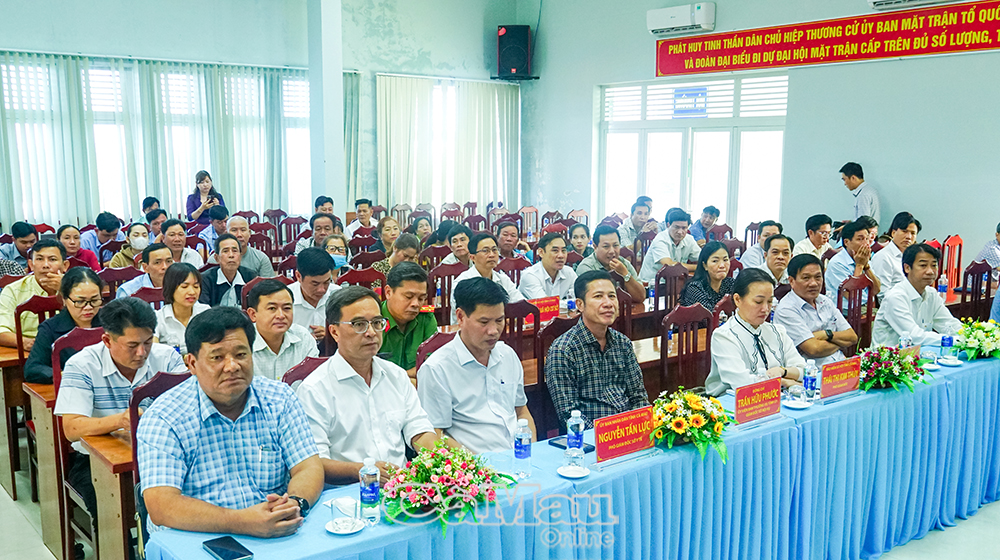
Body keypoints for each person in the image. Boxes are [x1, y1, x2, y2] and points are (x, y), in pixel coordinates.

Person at [137, 307, 323, 537]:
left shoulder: (279, 398)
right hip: (197, 536)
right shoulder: (164, 417)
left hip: (275, 528)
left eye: (241, 354)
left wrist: (294, 504)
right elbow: (162, 505)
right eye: (217, 357)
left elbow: (308, 466)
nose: (232, 366)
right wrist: (242, 522)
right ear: (192, 364)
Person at [55, 297, 187, 520]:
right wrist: (120, 420)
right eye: (132, 346)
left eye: (147, 342)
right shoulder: (82, 365)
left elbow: (188, 408)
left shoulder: (167, 358)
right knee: (108, 508)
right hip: (95, 462)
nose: (142, 353)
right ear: (107, 340)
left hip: (161, 454)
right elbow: (72, 428)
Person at [296, 286, 442, 485]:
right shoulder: (315, 389)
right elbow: (314, 462)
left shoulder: (396, 376)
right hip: (347, 492)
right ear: (335, 332)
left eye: (376, 323)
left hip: (402, 487)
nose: (371, 332)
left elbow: (419, 430)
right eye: (359, 324)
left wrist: (441, 462)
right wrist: (364, 471)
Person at [418, 277, 535, 453]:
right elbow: (436, 433)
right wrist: (476, 463)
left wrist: (531, 451)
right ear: (460, 317)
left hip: (518, 456)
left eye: (499, 320)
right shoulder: (437, 368)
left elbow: (521, 411)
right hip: (476, 463)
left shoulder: (508, 355)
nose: (493, 331)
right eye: (484, 322)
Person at [545, 270, 649, 428]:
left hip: (629, 431)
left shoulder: (623, 343)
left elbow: (639, 397)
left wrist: (636, 426)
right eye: (598, 296)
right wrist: (605, 435)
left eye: (612, 296)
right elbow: (568, 413)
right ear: (580, 305)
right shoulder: (563, 350)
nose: (608, 303)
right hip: (590, 437)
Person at [705, 268, 806, 396]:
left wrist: (782, 371)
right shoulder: (724, 336)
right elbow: (742, 384)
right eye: (758, 302)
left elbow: (804, 370)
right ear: (737, 300)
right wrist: (785, 382)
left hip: (777, 398)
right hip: (734, 402)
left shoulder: (777, 331)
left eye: (770, 301)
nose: (765, 309)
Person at [774, 255, 858, 367]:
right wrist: (841, 343)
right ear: (791, 281)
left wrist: (826, 334)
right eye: (806, 278)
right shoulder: (787, 309)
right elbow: (814, 349)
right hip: (813, 372)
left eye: (818, 277)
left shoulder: (825, 301)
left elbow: (852, 337)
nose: (813, 283)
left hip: (841, 364)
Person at [24, 267, 105, 383]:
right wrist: (65, 374)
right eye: (80, 301)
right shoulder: (50, 328)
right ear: (64, 299)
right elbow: (33, 368)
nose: (88, 307)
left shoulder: (111, 321)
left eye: (94, 300)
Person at [872, 243, 961, 347]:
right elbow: (915, 337)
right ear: (907, 268)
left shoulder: (931, 294)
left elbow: (949, 324)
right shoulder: (896, 297)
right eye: (923, 265)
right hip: (889, 356)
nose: (930, 271)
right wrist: (957, 341)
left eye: (934, 265)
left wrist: (970, 337)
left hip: (917, 353)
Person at [0, 239, 68, 351]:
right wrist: (24, 342)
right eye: (40, 259)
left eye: (52, 259)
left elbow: (89, 323)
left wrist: (64, 289)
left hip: (70, 349)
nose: (45, 265)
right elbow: (2, 330)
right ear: (31, 264)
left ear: (65, 265)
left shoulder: (76, 288)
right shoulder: (13, 291)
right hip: (28, 351)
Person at [246, 279, 318, 381]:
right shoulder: (242, 343)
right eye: (272, 308)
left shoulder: (303, 338)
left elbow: (314, 382)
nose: (281, 316)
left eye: (286, 308)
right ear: (253, 314)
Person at [379, 262, 437, 384]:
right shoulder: (374, 320)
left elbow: (434, 364)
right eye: (409, 297)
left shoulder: (426, 318)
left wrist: (400, 378)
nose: (416, 304)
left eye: (421, 298)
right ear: (388, 292)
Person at [451, 233, 524, 323]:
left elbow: (521, 304)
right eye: (485, 251)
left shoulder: (503, 279)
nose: (491, 255)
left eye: (494, 250)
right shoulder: (462, 283)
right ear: (472, 257)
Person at [576, 224, 646, 303]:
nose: (612, 251)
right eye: (606, 246)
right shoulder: (586, 267)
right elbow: (592, 301)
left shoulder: (624, 264)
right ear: (595, 247)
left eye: (615, 245)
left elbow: (641, 297)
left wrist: (625, 274)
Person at [154, 263, 209, 353]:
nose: (192, 292)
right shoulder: (158, 318)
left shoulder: (205, 312)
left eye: (196, 286)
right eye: (184, 287)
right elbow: (154, 351)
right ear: (171, 288)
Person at [289, 248, 340, 340]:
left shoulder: (338, 295)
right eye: (315, 284)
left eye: (326, 282)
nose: (322, 290)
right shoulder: (285, 299)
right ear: (298, 276)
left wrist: (332, 334)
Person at [824, 219, 881, 300]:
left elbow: (876, 290)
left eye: (867, 239)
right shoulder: (837, 263)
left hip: (866, 305)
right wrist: (859, 266)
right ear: (846, 242)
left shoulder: (864, 259)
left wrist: (866, 266)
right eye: (860, 239)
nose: (866, 243)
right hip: (846, 307)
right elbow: (851, 295)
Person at [639, 208, 700, 282]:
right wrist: (699, 267)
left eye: (684, 228)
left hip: (674, 281)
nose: (680, 232)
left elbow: (703, 257)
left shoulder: (689, 239)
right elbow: (669, 265)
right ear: (668, 225)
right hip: (651, 283)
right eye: (676, 227)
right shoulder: (660, 239)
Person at [871, 212, 922, 299]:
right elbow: (882, 294)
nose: (908, 237)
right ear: (893, 233)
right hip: (895, 304)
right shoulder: (883, 257)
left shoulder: (912, 256)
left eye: (913, 233)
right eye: (904, 231)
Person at [199, 234, 258, 307]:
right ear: (217, 258)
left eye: (235, 251)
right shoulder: (205, 280)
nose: (231, 255)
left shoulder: (251, 277)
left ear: (240, 256)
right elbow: (203, 310)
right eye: (225, 251)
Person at [206, 216, 275, 277]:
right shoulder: (214, 260)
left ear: (249, 233)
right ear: (226, 233)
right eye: (234, 230)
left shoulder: (261, 258)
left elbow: (269, 285)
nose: (239, 234)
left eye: (243, 230)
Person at [519, 232, 577, 301]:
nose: (561, 255)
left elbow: (579, 300)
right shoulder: (530, 275)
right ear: (541, 252)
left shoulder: (569, 273)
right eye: (555, 250)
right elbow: (546, 304)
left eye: (564, 250)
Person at [679, 241, 734, 312]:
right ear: (705, 265)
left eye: (725, 260)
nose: (722, 265)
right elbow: (709, 316)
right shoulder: (695, 288)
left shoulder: (730, 283)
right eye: (715, 261)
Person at [840, 162, 880, 226]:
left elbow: (863, 224)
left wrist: (846, 228)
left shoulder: (863, 195)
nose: (845, 183)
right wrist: (852, 222)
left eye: (844, 179)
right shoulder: (869, 190)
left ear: (853, 178)